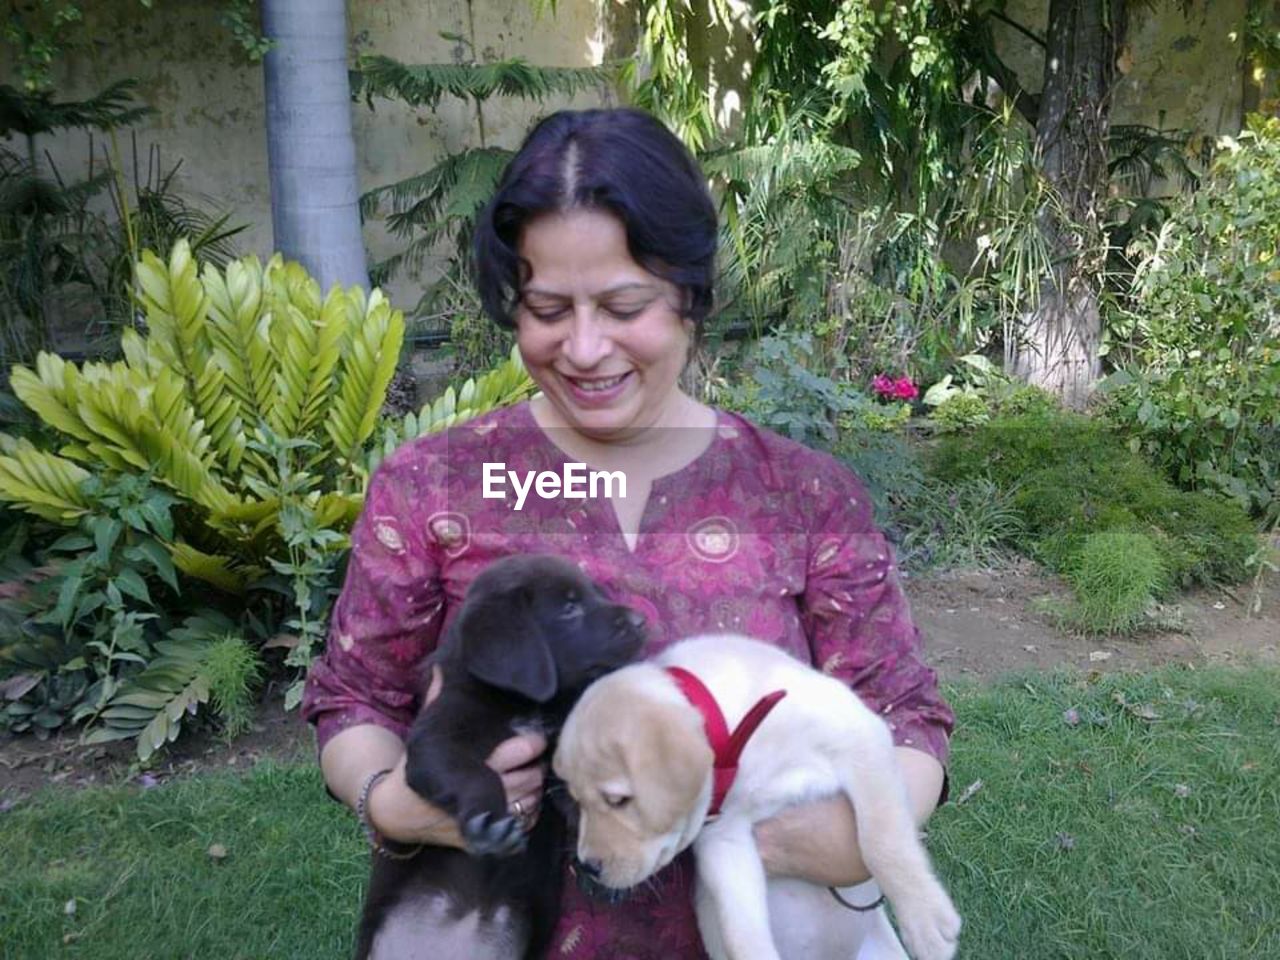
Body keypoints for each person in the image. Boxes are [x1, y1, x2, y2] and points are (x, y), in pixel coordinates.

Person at [301, 106, 955, 958]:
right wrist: (389, 800)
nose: (581, 347)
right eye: (546, 308)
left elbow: (906, 713)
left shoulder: (800, 493)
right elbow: (355, 697)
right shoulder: (436, 484)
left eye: (622, 304)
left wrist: (856, 833)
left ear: (687, 292)